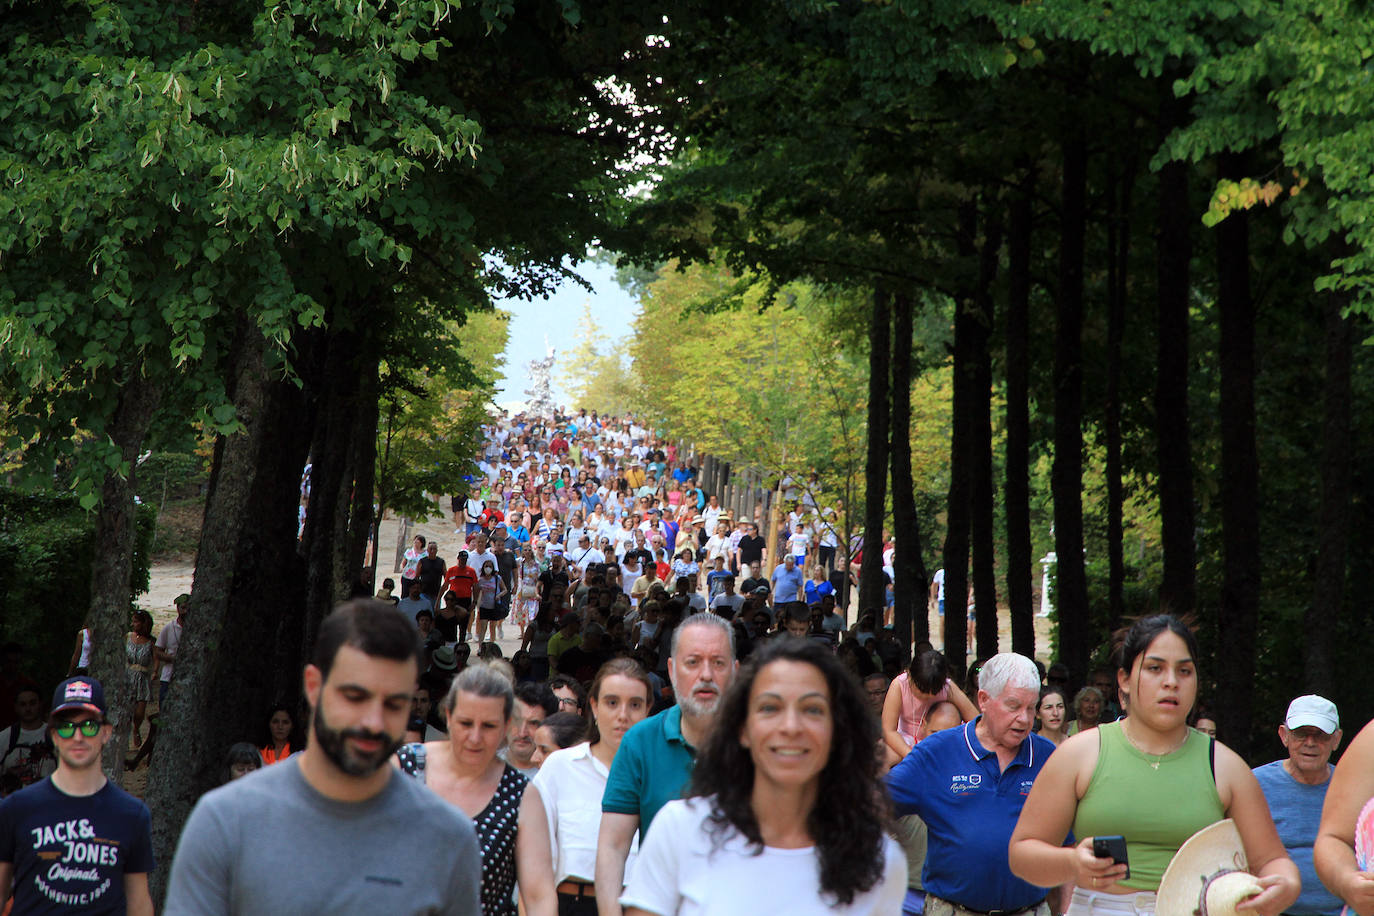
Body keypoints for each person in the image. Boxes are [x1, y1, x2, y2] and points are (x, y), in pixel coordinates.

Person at [165, 599, 482, 914]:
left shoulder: (447, 838)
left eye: (394, 703)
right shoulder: (226, 823)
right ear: (314, 686)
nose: (373, 722)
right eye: (356, 697)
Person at [1007, 615, 1299, 916]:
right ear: (1124, 679)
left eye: (1184, 671)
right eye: (1155, 668)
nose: (1171, 682)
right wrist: (1071, 864)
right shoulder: (1079, 753)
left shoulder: (1226, 766)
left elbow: (1272, 862)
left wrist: (1285, 885)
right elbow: (1022, 853)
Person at [620, 638, 907, 915]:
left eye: (813, 710)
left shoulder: (880, 860)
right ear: (742, 728)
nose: (791, 726)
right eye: (770, 708)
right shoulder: (680, 831)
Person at [888, 652, 1058, 916]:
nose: (1025, 719)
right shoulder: (937, 753)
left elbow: (1069, 844)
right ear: (984, 700)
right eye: (1013, 706)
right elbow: (868, 808)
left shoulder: (1049, 757)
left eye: (1031, 707)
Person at [597, 613, 738, 916]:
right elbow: (612, 847)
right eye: (693, 662)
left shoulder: (761, 743)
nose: (706, 675)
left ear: (735, 671)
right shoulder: (640, 742)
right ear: (671, 670)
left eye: (718, 663)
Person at [395, 664, 551, 916]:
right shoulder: (405, 766)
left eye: (488, 726)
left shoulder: (522, 795)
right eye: (466, 723)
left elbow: (538, 896)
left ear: (507, 725)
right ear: (447, 716)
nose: (475, 737)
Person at [0, 676, 156, 914]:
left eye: (89, 725)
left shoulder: (132, 815)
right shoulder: (15, 809)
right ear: (52, 735)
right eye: (66, 726)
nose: (78, 736)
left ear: (106, 733)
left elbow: (139, 903)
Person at [525, 660, 654, 916]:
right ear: (594, 706)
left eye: (635, 705)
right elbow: (535, 870)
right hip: (573, 903)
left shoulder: (661, 774)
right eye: (612, 702)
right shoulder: (560, 768)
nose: (623, 715)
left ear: (648, 709)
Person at [1252, 695, 1343, 916]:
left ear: (1336, 739)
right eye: (1301, 733)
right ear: (1284, 736)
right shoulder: (1253, 785)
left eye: (1320, 734)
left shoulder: (1349, 787)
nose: (1310, 742)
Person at [894, 701, 964, 916]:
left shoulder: (972, 780)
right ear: (923, 726)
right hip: (905, 894)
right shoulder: (901, 776)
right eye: (935, 732)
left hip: (952, 898)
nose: (940, 741)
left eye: (949, 733)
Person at [881, 649, 978, 759]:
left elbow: (976, 721)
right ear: (910, 676)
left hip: (940, 743)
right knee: (882, 758)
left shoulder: (948, 687)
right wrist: (913, 756)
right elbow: (889, 730)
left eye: (934, 692)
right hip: (905, 741)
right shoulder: (899, 685)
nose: (928, 696)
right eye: (922, 690)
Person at [0, 686, 54, 791]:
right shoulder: (4, 738)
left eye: (32, 703)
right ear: (16, 707)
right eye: (23, 704)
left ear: (40, 704)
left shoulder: (54, 735)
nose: (28, 709)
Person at [506, 682, 559, 777]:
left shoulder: (556, 776)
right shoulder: (485, 765)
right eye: (517, 720)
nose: (522, 733)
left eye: (533, 723)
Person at [125, 609, 156, 748]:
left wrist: (154, 672)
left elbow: (156, 659)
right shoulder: (128, 637)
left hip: (142, 677)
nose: (133, 624)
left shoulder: (151, 641)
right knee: (125, 709)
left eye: (136, 621)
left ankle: (136, 729)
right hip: (128, 675)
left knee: (139, 712)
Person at [153, 593, 188, 706]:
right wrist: (172, 658)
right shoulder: (169, 628)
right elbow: (157, 651)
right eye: (183, 608)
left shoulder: (197, 630)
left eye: (188, 608)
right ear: (177, 608)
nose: (185, 611)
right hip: (168, 677)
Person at [475, 559, 509, 646]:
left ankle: (492, 646)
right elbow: (477, 592)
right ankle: (480, 646)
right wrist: (477, 603)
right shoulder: (481, 580)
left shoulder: (497, 578)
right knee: (483, 627)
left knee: (492, 627)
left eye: (490, 566)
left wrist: (499, 595)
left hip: (494, 606)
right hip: (484, 606)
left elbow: (505, 590)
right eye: (486, 566)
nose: (488, 568)